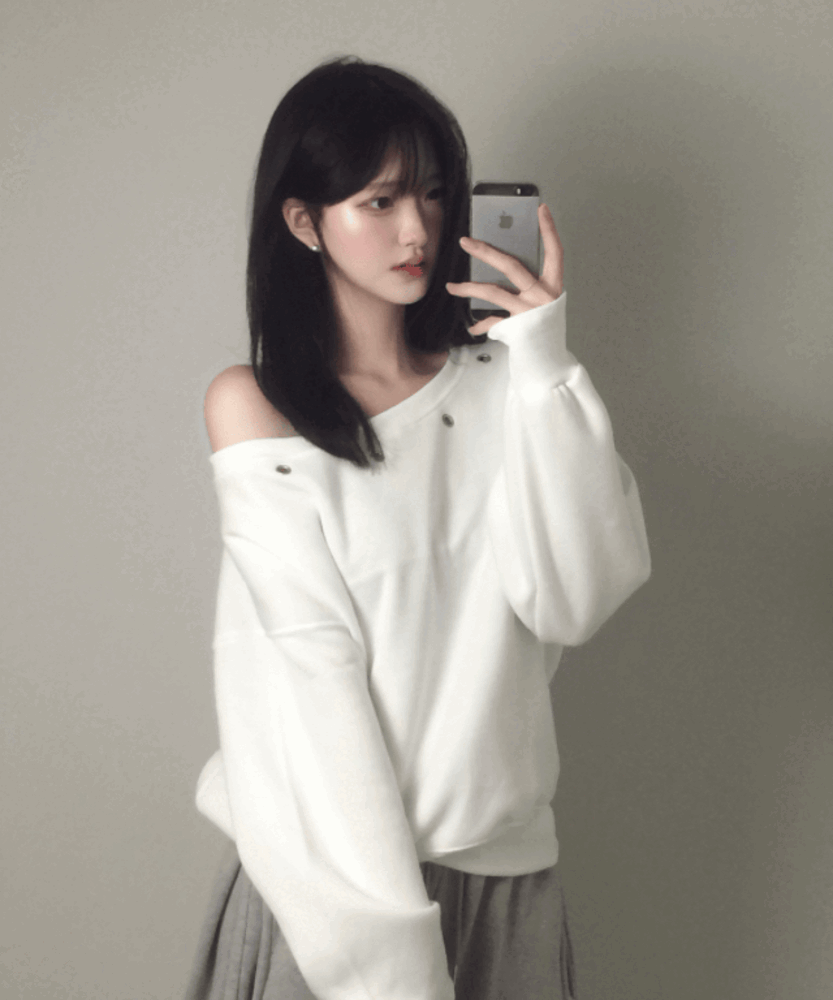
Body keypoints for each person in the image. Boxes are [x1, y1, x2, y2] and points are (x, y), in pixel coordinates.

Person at [184, 54, 652, 1000]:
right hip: (328, 891)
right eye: (380, 200)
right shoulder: (255, 407)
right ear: (303, 221)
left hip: (505, 883)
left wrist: (541, 359)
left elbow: (576, 598)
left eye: (435, 194)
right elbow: (308, 676)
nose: (418, 230)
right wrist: (384, 960)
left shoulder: (506, 385)